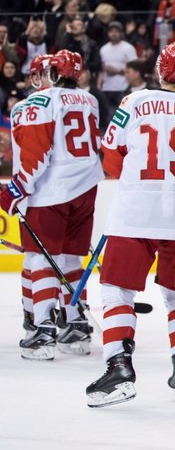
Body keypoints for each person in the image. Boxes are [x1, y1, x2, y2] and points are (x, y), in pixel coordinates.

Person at [88, 42, 175, 408]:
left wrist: (135, 179)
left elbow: (111, 155)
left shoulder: (133, 102)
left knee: (117, 290)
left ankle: (118, 368)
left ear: (160, 70)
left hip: (135, 212)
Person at [4, 50, 103, 361]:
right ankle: (75, 324)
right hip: (86, 188)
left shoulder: (36, 102)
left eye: (44, 72)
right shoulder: (90, 100)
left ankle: (43, 329)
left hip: (50, 191)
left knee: (39, 260)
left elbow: (35, 154)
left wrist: (15, 190)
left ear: (54, 74)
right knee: (72, 259)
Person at [9, 53, 51, 343]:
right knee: (38, 258)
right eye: (49, 74)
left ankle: (37, 315)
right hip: (37, 194)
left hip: (44, 193)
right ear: (35, 78)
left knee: (41, 258)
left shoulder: (55, 103)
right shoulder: (29, 107)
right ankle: (35, 316)